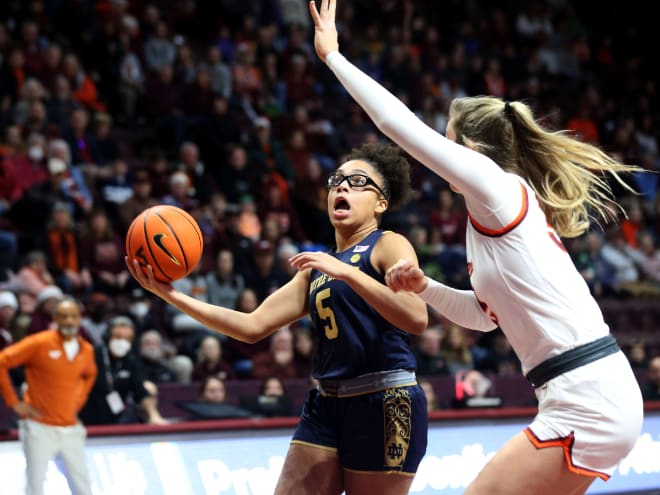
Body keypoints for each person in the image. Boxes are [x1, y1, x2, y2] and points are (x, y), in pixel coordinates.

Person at [308, 1, 644, 493]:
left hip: (585, 394)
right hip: (586, 392)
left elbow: (397, 126)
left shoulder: (494, 185)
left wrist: (334, 57)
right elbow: (486, 318)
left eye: (447, 140)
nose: (440, 151)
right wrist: (424, 286)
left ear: (468, 149)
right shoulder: (491, 213)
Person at [126, 140, 429, 494]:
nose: (343, 186)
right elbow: (251, 326)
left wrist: (348, 273)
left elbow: (416, 316)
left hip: (386, 400)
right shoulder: (317, 269)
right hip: (327, 402)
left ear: (381, 203)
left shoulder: (388, 244)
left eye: (359, 182)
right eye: (337, 181)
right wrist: (169, 294)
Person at [0, 297, 97, 495]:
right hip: (39, 427)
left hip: (70, 428)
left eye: (73, 317)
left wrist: (78, 400)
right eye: (63, 317)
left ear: (80, 319)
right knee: (35, 486)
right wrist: (14, 402)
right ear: (55, 319)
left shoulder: (86, 350)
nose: (69, 321)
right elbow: (2, 362)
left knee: (83, 487)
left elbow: (90, 374)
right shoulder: (39, 342)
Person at [79, 316, 168, 426]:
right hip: (87, 418)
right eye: (118, 337)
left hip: (115, 419)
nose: (122, 342)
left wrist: (154, 415)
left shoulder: (130, 360)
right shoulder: (93, 355)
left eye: (127, 339)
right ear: (108, 337)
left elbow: (141, 392)